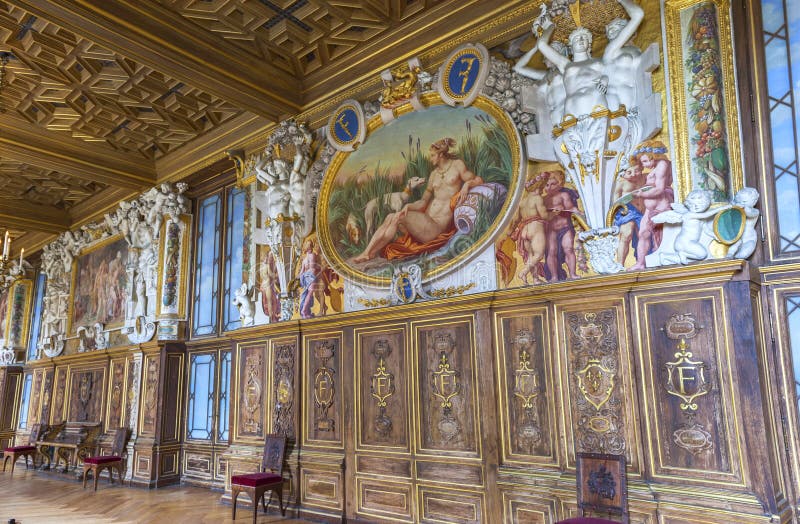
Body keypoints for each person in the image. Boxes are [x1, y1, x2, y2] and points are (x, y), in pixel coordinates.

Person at [353, 138, 483, 262]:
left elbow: (478, 180)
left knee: (398, 217)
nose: (430, 158)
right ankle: (369, 253)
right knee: (391, 216)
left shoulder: (457, 165)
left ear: (441, 155)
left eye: (432, 155)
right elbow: (423, 201)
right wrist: (409, 206)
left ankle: (368, 253)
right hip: (425, 222)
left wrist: (467, 185)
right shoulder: (433, 175)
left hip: (435, 228)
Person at [628, 140, 674, 270]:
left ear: (654, 156)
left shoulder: (662, 165)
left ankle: (663, 262)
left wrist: (641, 194)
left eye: (645, 161)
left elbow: (659, 189)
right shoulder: (655, 167)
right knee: (643, 233)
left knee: (662, 236)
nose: (644, 165)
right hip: (650, 208)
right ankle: (640, 263)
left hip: (662, 206)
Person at [511, 172, 550, 284]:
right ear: (540, 186)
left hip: (524, 230)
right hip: (535, 227)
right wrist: (554, 214)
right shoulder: (537, 198)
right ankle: (523, 272)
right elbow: (544, 215)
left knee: (531, 257)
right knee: (538, 254)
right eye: (544, 185)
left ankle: (535, 279)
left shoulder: (522, 202)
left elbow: (516, 219)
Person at [543, 171, 581, 280]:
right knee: (551, 252)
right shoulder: (544, 200)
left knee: (568, 249)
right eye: (547, 185)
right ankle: (554, 277)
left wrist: (571, 210)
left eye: (552, 184)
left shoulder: (563, 195)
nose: (549, 187)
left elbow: (571, 208)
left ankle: (573, 274)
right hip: (551, 230)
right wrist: (550, 214)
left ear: (559, 184)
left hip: (565, 227)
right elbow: (542, 215)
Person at [611, 164, 645, 265]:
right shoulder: (621, 184)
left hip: (641, 212)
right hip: (627, 211)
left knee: (643, 235)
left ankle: (641, 262)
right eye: (629, 172)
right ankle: (620, 264)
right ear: (623, 174)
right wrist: (628, 196)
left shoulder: (643, 180)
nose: (634, 174)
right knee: (626, 234)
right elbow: (615, 203)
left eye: (637, 171)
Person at [298, 239, 322, 319]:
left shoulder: (304, 260)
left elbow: (302, 272)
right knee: (310, 292)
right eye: (310, 245)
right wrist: (320, 267)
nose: (311, 246)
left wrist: (299, 279)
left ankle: (306, 310)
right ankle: (304, 310)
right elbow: (313, 267)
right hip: (311, 275)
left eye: (311, 245)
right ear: (309, 247)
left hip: (305, 277)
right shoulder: (313, 255)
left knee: (308, 293)